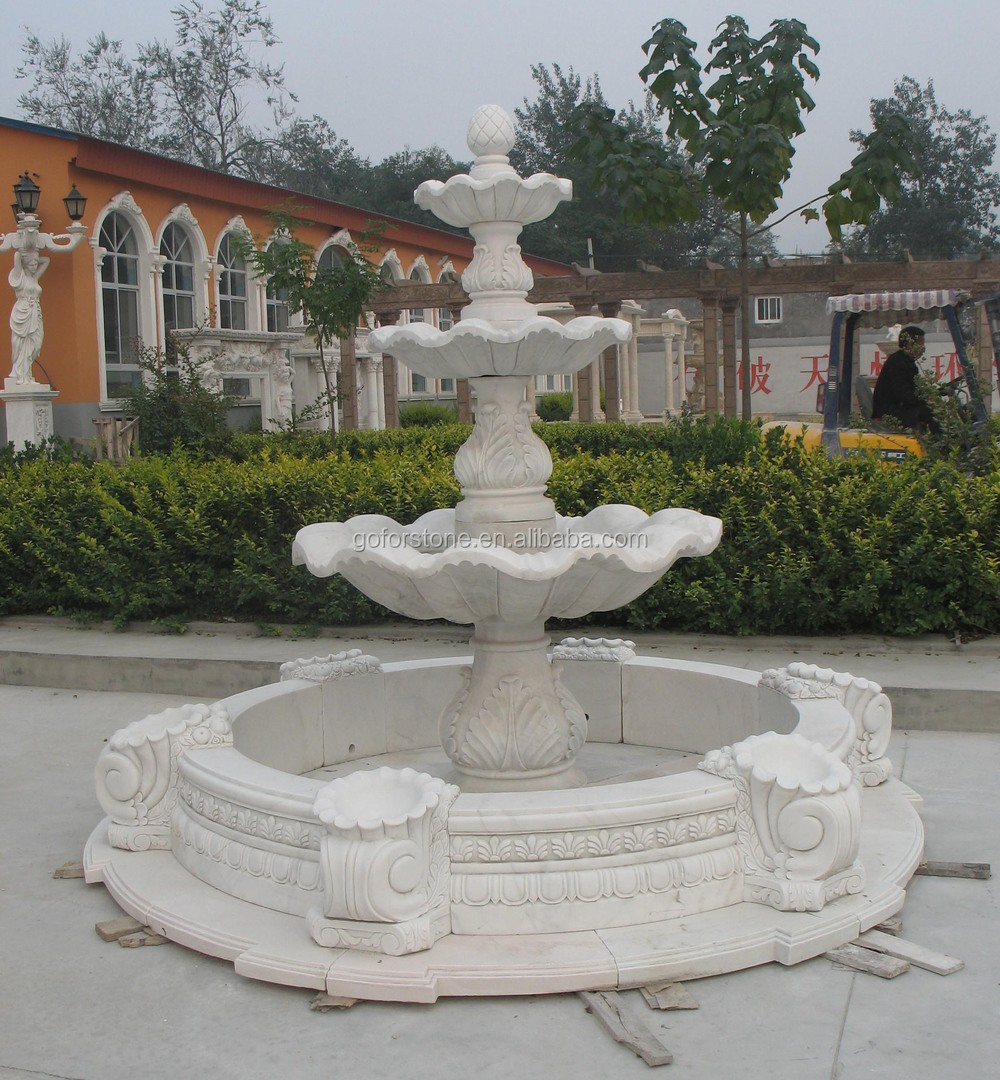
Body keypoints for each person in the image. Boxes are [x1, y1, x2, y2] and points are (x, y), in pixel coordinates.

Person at [871, 325, 935, 430]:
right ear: (910, 344)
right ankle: (941, 445)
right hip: (891, 411)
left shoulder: (905, 361)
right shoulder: (898, 363)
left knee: (931, 410)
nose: (923, 348)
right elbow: (904, 395)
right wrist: (926, 400)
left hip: (897, 408)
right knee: (933, 413)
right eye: (921, 344)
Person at [8, 246, 49, 384]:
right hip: (23, 311)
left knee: (36, 343)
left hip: (35, 312)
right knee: (22, 342)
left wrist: (34, 257)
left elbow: (47, 260)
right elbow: (16, 257)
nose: (34, 266)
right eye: (32, 264)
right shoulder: (19, 277)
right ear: (25, 264)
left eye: (36, 264)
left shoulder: (34, 277)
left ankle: (26, 373)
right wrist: (23, 244)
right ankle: (21, 375)